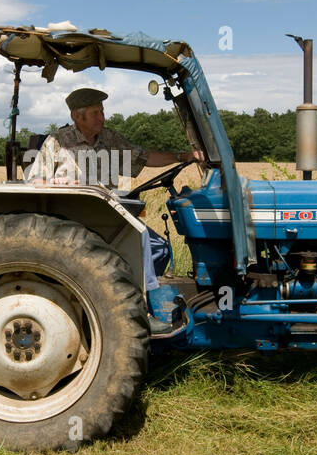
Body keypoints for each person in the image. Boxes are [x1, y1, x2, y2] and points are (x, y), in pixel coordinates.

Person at [25, 87, 205, 309]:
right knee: (145, 243)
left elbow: (145, 157)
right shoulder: (57, 141)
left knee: (158, 247)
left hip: (108, 216)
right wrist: (56, 183)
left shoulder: (110, 139)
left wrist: (182, 156)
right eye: (95, 113)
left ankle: (135, 301)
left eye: (102, 111)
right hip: (72, 220)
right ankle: (140, 309)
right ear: (76, 116)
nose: (102, 117)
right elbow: (35, 182)